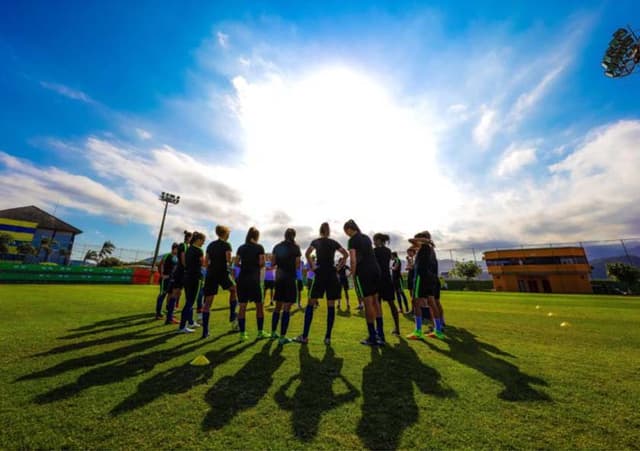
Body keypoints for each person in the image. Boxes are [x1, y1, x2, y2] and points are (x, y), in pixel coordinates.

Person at [294, 222, 348, 345]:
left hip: (320, 274)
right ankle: (328, 337)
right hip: (331, 274)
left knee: (310, 304)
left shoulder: (316, 242)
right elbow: (346, 254)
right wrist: (338, 267)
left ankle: (305, 336)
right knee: (331, 306)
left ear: (320, 230)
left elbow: (307, 254)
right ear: (328, 231)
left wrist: (313, 266)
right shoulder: (333, 242)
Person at [343, 219, 383, 346]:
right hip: (376, 270)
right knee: (376, 302)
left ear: (349, 229)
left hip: (364, 272)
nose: (346, 234)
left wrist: (352, 274)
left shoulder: (352, 240)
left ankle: (372, 336)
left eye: (346, 232)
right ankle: (380, 333)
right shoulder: (366, 238)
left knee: (368, 303)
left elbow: (353, 259)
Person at [201, 225, 238, 339]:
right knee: (234, 290)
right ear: (225, 233)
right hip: (222, 273)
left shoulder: (211, 245)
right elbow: (228, 260)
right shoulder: (227, 245)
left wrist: (211, 269)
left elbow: (206, 262)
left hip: (211, 273)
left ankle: (205, 331)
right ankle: (232, 315)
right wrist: (232, 261)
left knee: (207, 304)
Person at [406, 231, 444, 340]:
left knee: (415, 302)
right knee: (432, 303)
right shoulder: (430, 249)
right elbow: (412, 244)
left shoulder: (426, 247)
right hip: (430, 278)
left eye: (418, 239)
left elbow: (411, 240)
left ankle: (418, 331)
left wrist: (425, 240)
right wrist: (425, 241)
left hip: (421, 278)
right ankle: (438, 330)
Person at [270, 228, 302, 345]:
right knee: (287, 308)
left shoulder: (277, 246)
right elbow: (298, 265)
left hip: (279, 278)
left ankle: (273, 333)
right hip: (289, 279)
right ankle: (282, 337)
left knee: (277, 306)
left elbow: (273, 263)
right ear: (293, 236)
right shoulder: (296, 248)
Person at [235, 227, 268, 340]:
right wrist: (255, 267)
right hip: (254, 280)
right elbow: (262, 263)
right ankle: (260, 332)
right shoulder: (259, 247)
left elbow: (236, 262)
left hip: (242, 279)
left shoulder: (241, 247)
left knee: (242, 306)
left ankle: (242, 334)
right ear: (256, 236)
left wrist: (245, 266)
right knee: (259, 306)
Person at [177, 231, 206, 333]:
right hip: (195, 278)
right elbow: (204, 263)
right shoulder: (199, 250)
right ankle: (182, 326)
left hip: (187, 277)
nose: (203, 243)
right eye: (203, 241)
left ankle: (190, 322)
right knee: (190, 303)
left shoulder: (188, 249)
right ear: (198, 240)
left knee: (189, 302)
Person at [374, 234, 400, 338]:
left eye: (375, 240)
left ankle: (379, 330)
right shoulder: (388, 251)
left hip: (378, 280)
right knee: (391, 304)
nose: (374, 242)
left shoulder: (374, 251)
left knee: (377, 305)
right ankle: (397, 328)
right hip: (387, 279)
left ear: (379, 240)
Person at [165, 231, 191, 325]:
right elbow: (183, 259)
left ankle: (170, 316)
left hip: (179, 272)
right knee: (175, 293)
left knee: (177, 293)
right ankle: (169, 317)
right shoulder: (184, 245)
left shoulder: (184, 246)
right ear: (189, 238)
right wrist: (186, 268)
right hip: (180, 272)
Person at [155, 243, 178, 320]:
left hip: (172, 279)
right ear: (174, 249)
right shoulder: (167, 255)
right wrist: (162, 274)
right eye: (177, 249)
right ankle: (158, 313)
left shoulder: (176, 257)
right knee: (162, 295)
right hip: (165, 279)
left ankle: (169, 311)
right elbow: (160, 264)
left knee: (171, 295)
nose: (178, 251)